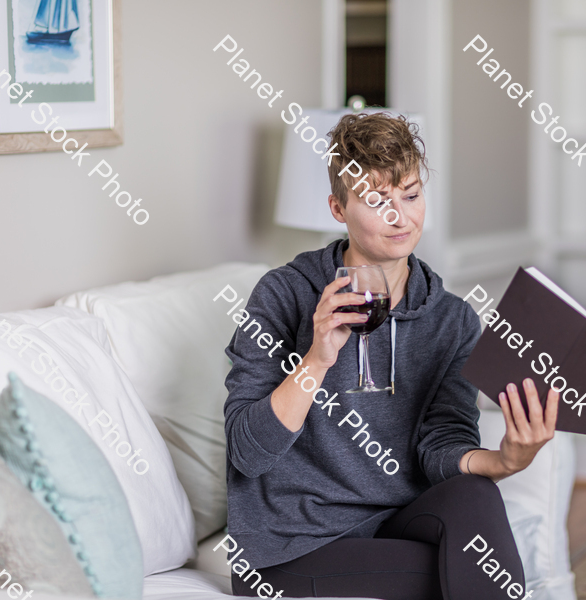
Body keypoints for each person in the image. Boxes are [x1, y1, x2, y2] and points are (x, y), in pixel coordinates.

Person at [224, 112, 560, 600]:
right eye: (376, 200)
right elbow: (247, 452)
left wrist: (505, 460)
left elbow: (441, 444)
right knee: (477, 574)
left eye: (410, 194)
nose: (400, 216)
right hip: (292, 548)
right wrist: (316, 359)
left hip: (396, 521)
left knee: (476, 494)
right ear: (338, 208)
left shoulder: (453, 320)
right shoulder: (283, 295)